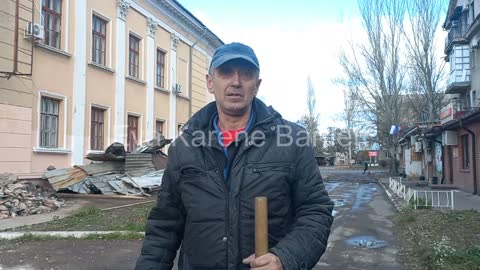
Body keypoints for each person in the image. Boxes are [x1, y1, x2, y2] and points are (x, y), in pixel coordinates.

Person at [135, 42, 334, 270]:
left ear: (257, 85)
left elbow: (316, 211)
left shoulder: (291, 141)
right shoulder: (184, 147)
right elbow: (165, 224)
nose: (236, 82)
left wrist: (286, 258)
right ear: (210, 82)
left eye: (246, 74)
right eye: (226, 73)